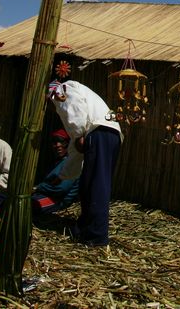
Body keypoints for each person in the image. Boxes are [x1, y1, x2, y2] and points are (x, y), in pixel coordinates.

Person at [49, 80, 122, 247]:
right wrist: (63, 176)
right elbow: (76, 149)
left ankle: (96, 236)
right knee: (88, 183)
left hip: (100, 132)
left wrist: (80, 134)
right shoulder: (77, 93)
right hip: (107, 133)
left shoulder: (61, 91)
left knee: (96, 185)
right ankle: (85, 228)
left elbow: (75, 115)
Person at [31, 128, 80, 215]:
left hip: (58, 201)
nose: (58, 145)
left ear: (69, 144)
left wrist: (38, 188)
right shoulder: (57, 162)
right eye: (55, 142)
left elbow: (60, 189)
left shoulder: (71, 163)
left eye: (62, 142)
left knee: (27, 206)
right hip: (47, 195)